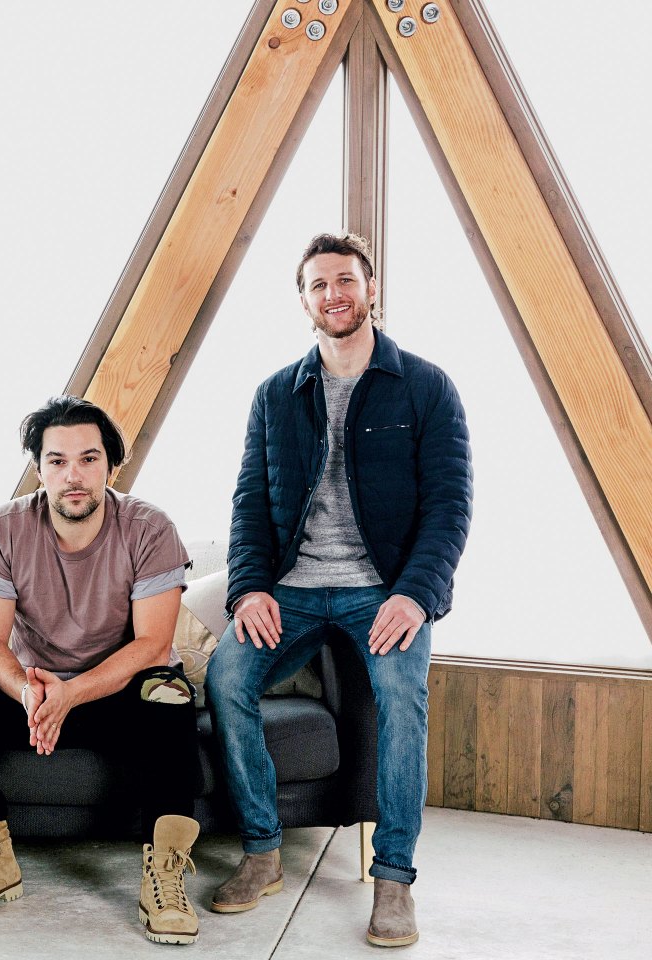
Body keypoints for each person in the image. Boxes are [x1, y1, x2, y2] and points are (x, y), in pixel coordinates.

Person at [206, 232, 472, 947]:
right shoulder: (275, 394)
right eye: (319, 284)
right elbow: (249, 504)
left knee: (402, 700)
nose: (334, 294)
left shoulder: (425, 386)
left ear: (371, 287)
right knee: (226, 677)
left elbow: (449, 506)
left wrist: (414, 595)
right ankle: (262, 851)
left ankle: (394, 879)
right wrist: (248, 590)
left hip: (382, 592)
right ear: (304, 300)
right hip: (290, 590)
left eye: (346, 280)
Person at [0, 396, 203, 945]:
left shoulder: (150, 528)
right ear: (39, 469)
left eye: (88, 459)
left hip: (118, 696)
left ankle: (166, 877)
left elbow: (153, 645)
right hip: (36, 698)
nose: (73, 475)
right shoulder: (4, 528)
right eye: (57, 461)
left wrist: (72, 693)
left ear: (111, 467)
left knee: (169, 690)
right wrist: (28, 693)